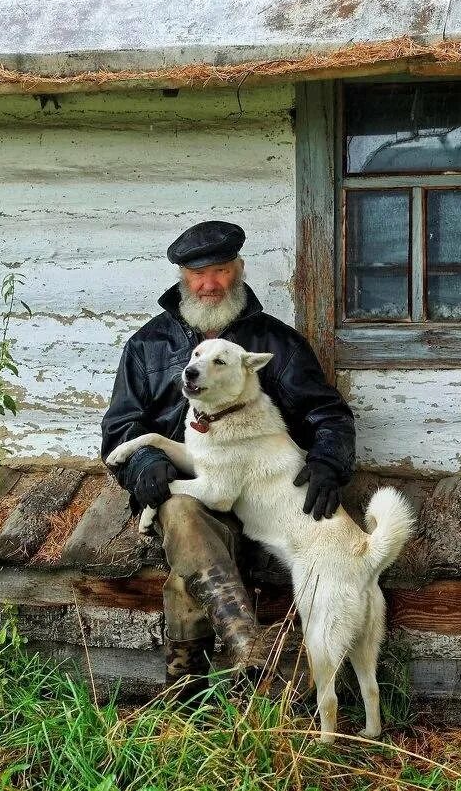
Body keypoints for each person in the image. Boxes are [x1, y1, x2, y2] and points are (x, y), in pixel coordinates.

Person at [101, 220, 356, 695]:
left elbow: (328, 413)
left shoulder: (276, 343)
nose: (209, 284)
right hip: (188, 486)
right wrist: (144, 466)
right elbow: (121, 426)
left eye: (219, 270)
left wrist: (328, 461)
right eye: (197, 274)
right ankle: (235, 647)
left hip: (261, 491)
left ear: (237, 269)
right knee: (182, 512)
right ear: (182, 276)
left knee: (188, 565)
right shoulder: (147, 345)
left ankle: (189, 688)